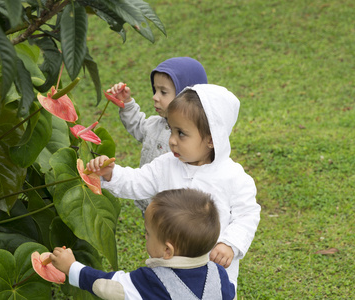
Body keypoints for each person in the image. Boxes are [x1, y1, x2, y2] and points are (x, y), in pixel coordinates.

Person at [87, 84, 261, 290]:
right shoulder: (166, 164)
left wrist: (230, 244)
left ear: (211, 139)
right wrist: (111, 174)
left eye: (181, 134)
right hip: (167, 261)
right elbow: (138, 181)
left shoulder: (234, 178)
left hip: (213, 269)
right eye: (171, 129)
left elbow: (247, 215)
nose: (171, 141)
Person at [49, 188, 236, 300]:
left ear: (167, 250)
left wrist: (71, 267)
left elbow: (107, 285)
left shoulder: (152, 280)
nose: (145, 236)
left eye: (148, 233)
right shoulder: (218, 274)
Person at [107, 57, 208, 212]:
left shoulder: (195, 138)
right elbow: (138, 125)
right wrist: (126, 103)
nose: (155, 97)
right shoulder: (155, 125)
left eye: (163, 92)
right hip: (150, 205)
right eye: (155, 90)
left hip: (177, 211)